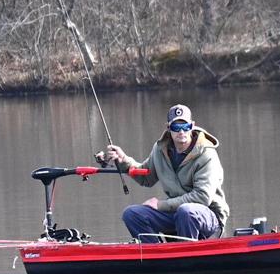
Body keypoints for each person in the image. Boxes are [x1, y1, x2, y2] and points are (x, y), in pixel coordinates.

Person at [96, 104, 229, 243]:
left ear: (192, 125)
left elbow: (202, 197)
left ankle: (186, 256)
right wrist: (123, 160)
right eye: (176, 127)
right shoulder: (160, 149)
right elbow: (146, 177)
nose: (181, 132)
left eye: (186, 126)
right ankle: (156, 255)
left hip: (209, 217)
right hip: (177, 213)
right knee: (131, 214)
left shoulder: (207, 154)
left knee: (186, 211)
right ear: (168, 128)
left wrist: (161, 205)